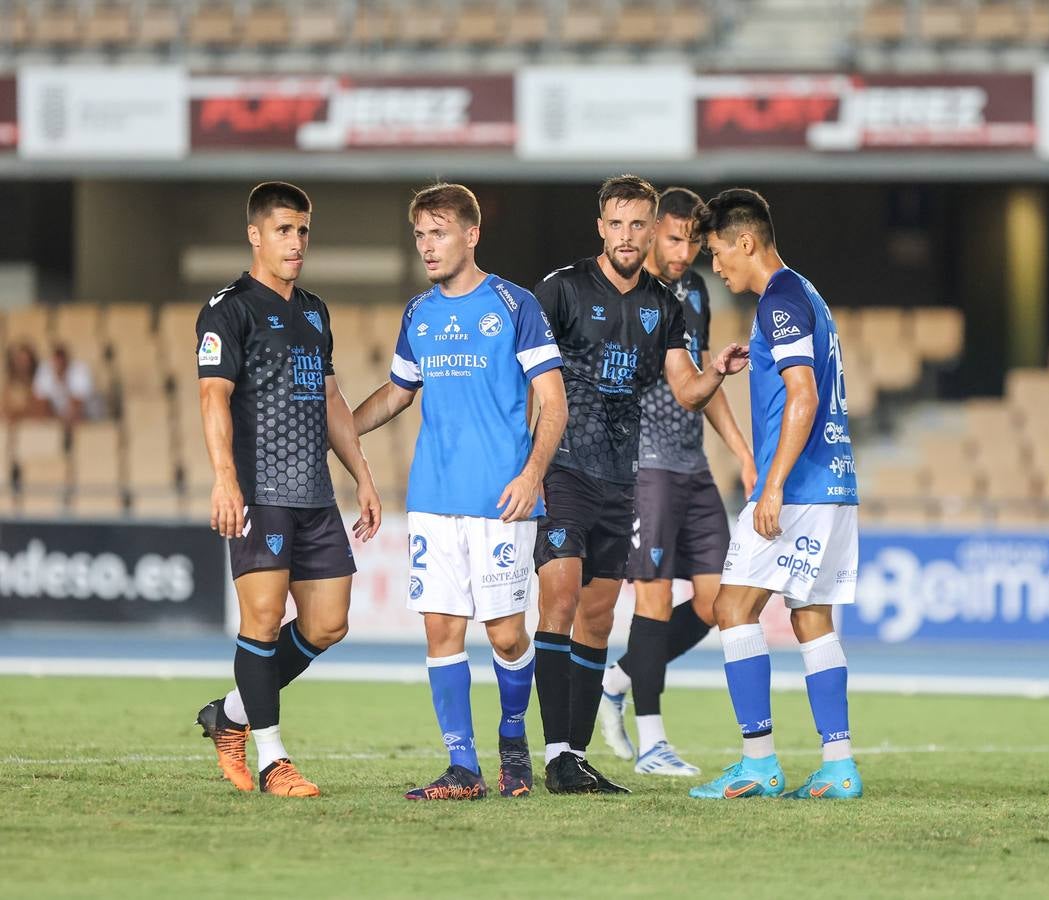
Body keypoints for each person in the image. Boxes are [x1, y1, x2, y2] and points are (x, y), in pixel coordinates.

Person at [531, 174, 748, 794]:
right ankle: (564, 751)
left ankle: (581, 740)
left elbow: (686, 388)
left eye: (638, 225)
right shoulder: (562, 289)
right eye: (617, 224)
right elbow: (530, 381)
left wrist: (719, 374)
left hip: (632, 477)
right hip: (575, 465)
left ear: (648, 229)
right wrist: (528, 464)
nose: (629, 237)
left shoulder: (672, 303)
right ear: (602, 227)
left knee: (608, 615)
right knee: (566, 599)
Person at [352, 183, 568, 801]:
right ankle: (463, 768)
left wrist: (531, 475)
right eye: (420, 234)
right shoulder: (418, 313)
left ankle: (511, 739)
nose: (427, 246)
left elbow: (553, 403)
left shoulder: (515, 304)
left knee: (505, 635)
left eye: (439, 232)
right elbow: (397, 392)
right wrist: (339, 431)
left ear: (471, 235)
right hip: (433, 501)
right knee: (441, 634)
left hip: (502, 501)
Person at [194, 182, 382, 798]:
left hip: (315, 495)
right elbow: (212, 397)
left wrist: (363, 474)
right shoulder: (229, 309)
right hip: (260, 492)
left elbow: (331, 399)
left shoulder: (315, 310)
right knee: (265, 620)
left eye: (302, 230)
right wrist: (225, 480)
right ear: (255, 235)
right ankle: (273, 759)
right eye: (283, 230)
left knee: (329, 624)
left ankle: (231, 713)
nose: (296, 241)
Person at [687, 189, 863, 802]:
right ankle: (839, 766)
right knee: (811, 615)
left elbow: (803, 395)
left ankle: (758, 761)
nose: (718, 268)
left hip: (799, 488)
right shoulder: (804, 294)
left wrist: (775, 482)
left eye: (717, 254)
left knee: (732, 609)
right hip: (834, 480)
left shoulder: (779, 301)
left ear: (747, 242)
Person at [596, 187, 756, 777]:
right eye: (673, 237)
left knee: (717, 602)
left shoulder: (694, 293)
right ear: (648, 233)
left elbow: (702, 378)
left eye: (693, 239)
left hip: (692, 465)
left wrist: (740, 450)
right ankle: (652, 742)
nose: (685, 250)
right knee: (655, 599)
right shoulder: (627, 294)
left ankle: (618, 677)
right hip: (645, 464)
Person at [34, 343, 101, 423]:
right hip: (58, 415)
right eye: (56, 362)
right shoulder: (45, 370)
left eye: (61, 362)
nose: (59, 365)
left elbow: (78, 402)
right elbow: (40, 402)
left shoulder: (80, 370)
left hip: (87, 413)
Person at [3, 341, 44, 422]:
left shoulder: (38, 383)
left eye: (26, 360)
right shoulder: (8, 385)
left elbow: (39, 410)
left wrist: (18, 414)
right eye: (19, 360)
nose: (22, 364)